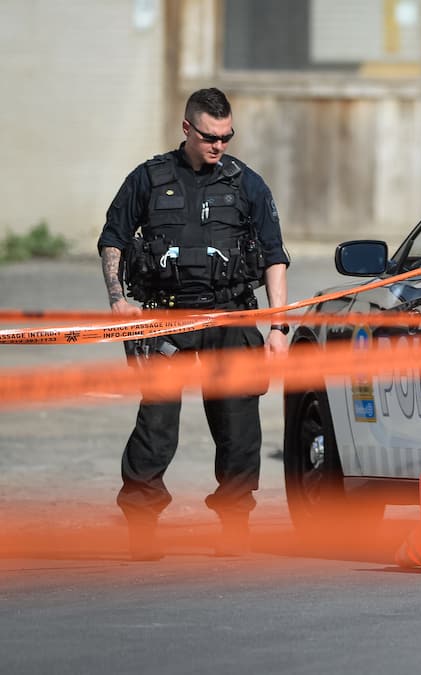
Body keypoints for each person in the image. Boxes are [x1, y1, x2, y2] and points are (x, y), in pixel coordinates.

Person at [97, 87, 290, 560]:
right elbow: (113, 239)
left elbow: (274, 256)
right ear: (187, 128)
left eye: (226, 136)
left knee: (239, 429)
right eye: (209, 136)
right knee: (156, 426)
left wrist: (278, 327)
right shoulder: (147, 179)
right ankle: (142, 525)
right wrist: (118, 300)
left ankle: (235, 524)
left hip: (231, 315)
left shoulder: (247, 184)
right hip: (167, 317)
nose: (219, 145)